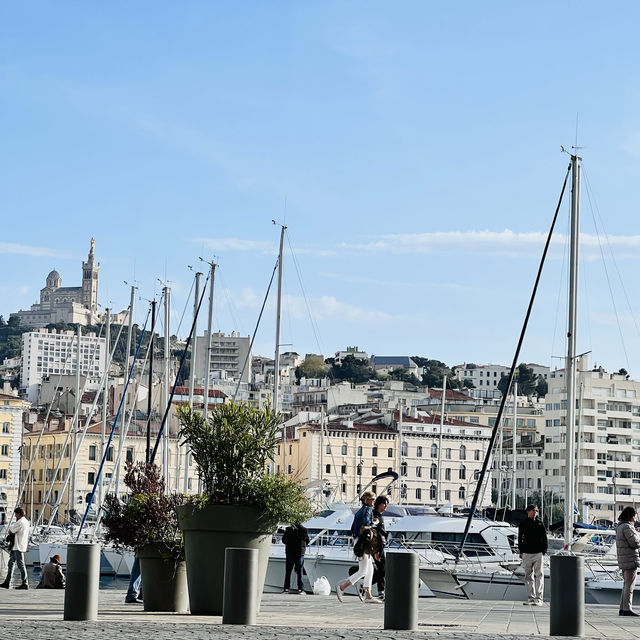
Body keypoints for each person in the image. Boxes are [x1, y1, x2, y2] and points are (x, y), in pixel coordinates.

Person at [335, 490, 381, 604]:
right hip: (363, 543)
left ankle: (368, 595)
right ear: (367, 500)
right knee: (364, 570)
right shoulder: (368, 510)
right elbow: (366, 524)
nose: (374, 502)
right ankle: (342, 587)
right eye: (372, 499)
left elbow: (353, 528)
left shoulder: (360, 511)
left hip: (359, 541)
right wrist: (375, 522)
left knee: (369, 570)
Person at [517, 504, 547, 606]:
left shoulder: (539, 524)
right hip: (526, 553)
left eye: (537, 511)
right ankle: (531, 598)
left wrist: (544, 550)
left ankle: (539, 599)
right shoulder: (523, 524)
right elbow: (520, 537)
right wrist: (521, 551)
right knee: (528, 576)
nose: (535, 512)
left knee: (539, 575)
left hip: (538, 553)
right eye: (534, 510)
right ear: (528, 511)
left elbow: (544, 538)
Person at [616, 506, 640, 616]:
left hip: (624, 559)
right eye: (635, 515)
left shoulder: (620, 526)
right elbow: (634, 542)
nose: (636, 518)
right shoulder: (627, 527)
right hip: (630, 558)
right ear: (630, 516)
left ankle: (623, 608)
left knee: (626, 584)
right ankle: (627, 608)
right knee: (629, 585)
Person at [0, 507, 30, 590]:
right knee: (10, 563)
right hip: (19, 545)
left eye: (16, 514)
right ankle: (7, 582)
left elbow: (10, 531)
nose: (15, 516)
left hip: (18, 546)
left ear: (19, 514)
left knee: (21, 565)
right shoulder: (26, 522)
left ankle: (25, 583)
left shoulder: (20, 522)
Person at [282, 522, 310, 594]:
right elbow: (307, 540)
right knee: (299, 571)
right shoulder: (304, 530)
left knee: (288, 571)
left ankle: (286, 588)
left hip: (290, 552)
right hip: (300, 553)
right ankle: (300, 589)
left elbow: (284, 540)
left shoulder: (288, 529)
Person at [371, 495, 389, 599]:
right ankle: (380, 591)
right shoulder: (376, 516)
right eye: (384, 504)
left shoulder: (379, 515)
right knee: (382, 569)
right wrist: (376, 551)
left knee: (382, 569)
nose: (386, 506)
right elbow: (375, 530)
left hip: (380, 546)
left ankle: (372, 586)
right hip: (377, 547)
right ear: (379, 504)